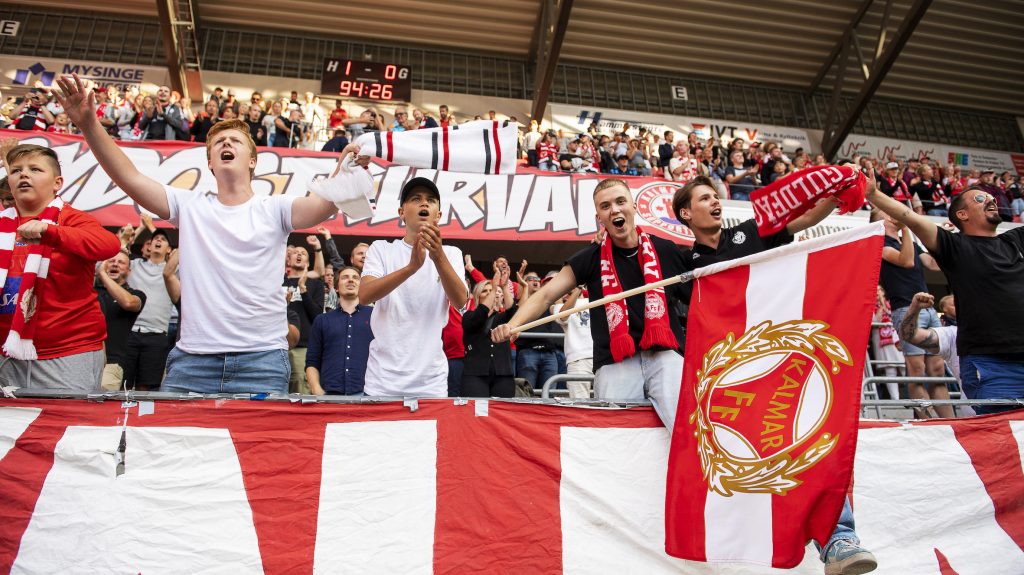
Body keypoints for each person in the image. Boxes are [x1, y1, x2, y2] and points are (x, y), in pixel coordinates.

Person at [57, 73, 367, 394]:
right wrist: (89, 125)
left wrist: (347, 168)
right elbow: (129, 177)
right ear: (210, 164)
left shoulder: (274, 208)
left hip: (261, 361)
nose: (226, 144)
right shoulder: (188, 204)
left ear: (253, 160)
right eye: (219, 142)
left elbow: (322, 206)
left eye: (235, 141)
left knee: (253, 446)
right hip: (192, 362)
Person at [672, 174, 876, 575]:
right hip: (726, 383)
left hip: (776, 361)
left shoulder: (749, 233)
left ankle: (839, 537)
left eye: (717, 197)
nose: (715, 202)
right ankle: (751, 543)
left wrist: (837, 195)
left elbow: (804, 221)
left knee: (807, 440)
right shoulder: (680, 262)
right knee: (760, 460)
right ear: (685, 213)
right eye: (705, 198)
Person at [492, 178, 689, 427]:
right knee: (615, 442)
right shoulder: (590, 258)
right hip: (615, 363)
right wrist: (514, 325)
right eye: (605, 206)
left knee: (686, 434)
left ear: (634, 206)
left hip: (665, 356)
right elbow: (545, 295)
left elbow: (698, 297)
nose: (615, 210)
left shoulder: (666, 250)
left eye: (620, 201)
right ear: (600, 218)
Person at [867, 179, 1024, 413]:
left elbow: (926, 262)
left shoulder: (1013, 241)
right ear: (962, 214)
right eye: (980, 198)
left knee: (937, 372)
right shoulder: (954, 246)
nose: (990, 200)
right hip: (991, 364)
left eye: (990, 197)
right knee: (1003, 441)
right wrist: (873, 194)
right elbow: (910, 221)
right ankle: (926, 419)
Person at [0, 144, 121, 390]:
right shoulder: (4, 225)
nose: (24, 174)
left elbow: (109, 245)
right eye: (16, 170)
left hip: (67, 352)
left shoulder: (72, 219)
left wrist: (50, 232)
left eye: (35, 169)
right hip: (5, 353)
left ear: (57, 183)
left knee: (68, 426)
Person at [359, 177, 467, 397]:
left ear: (438, 214)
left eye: (430, 200)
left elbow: (461, 301)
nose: (424, 204)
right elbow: (364, 295)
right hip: (383, 380)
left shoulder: (452, 253)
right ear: (401, 212)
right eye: (416, 199)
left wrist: (437, 256)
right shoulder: (381, 249)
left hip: (430, 383)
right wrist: (411, 267)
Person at [872, 210, 952, 418]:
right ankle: (925, 419)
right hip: (905, 310)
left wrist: (944, 240)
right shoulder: (880, 246)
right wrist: (906, 227)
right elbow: (906, 261)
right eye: (887, 213)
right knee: (916, 371)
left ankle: (950, 421)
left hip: (930, 309)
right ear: (879, 222)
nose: (893, 215)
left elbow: (934, 265)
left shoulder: (912, 244)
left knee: (937, 371)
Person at [305, 267, 373, 396]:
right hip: (329, 395)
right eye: (345, 277)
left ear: (361, 285)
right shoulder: (322, 320)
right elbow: (312, 361)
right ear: (336, 287)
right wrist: (317, 390)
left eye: (355, 278)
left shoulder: (375, 317)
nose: (350, 280)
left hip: (367, 394)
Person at [123, 228, 175, 391]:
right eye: (155, 239)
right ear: (149, 246)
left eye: (163, 239)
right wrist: (131, 235)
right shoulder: (134, 265)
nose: (158, 240)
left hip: (157, 335)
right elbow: (115, 257)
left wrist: (151, 226)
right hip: (130, 332)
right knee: (122, 383)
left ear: (169, 249)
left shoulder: (173, 272)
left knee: (145, 387)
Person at [95, 251, 147, 391]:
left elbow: (129, 303)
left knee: (101, 406)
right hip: (84, 359)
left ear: (129, 271)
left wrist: (103, 274)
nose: (115, 264)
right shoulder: (91, 291)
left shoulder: (136, 294)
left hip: (112, 362)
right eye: (111, 261)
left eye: (121, 262)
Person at [462, 278, 516, 398]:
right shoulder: (469, 316)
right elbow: (480, 316)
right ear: (477, 296)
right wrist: (494, 289)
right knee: (477, 413)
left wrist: (505, 286)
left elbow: (513, 311)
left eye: (491, 290)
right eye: (484, 291)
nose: (489, 293)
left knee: (503, 413)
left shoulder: (503, 318)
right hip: (475, 375)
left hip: (503, 374)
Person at [553, 286, 594, 399]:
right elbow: (563, 316)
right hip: (577, 359)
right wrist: (577, 290)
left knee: (606, 401)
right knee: (580, 404)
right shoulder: (559, 306)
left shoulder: (595, 299)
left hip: (601, 356)